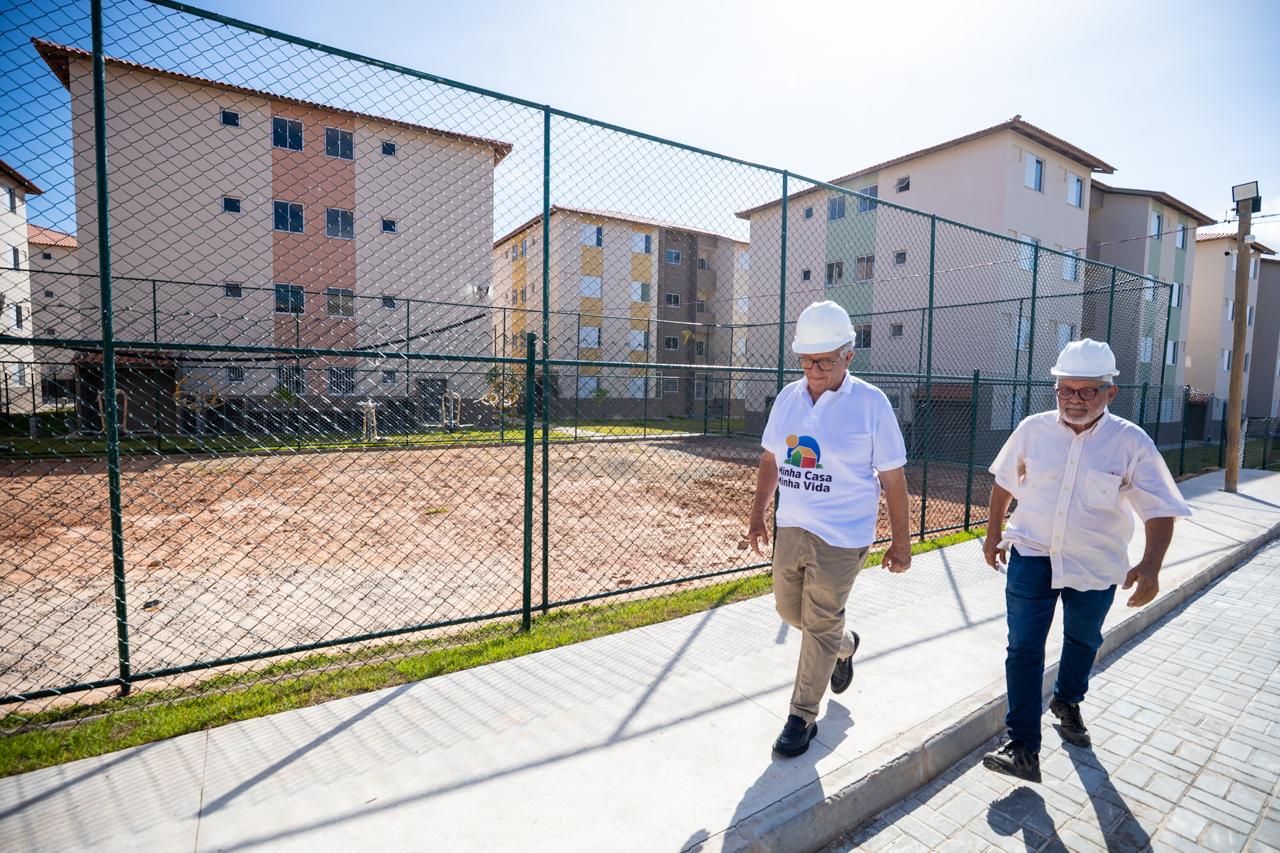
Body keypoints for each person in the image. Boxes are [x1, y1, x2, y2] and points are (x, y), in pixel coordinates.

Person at [982, 339, 1191, 782]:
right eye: (1065, 389)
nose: (1074, 400)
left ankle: (1067, 700)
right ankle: (1023, 746)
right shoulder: (1033, 430)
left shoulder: (1131, 442)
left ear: (1110, 393)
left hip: (1095, 564)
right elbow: (1004, 481)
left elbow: (1159, 507)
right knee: (1023, 649)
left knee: (1083, 642)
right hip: (1032, 555)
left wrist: (1151, 565)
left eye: (1087, 391)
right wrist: (993, 533)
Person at [747, 300, 913, 758]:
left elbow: (893, 478)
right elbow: (770, 459)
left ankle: (801, 716)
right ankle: (844, 644)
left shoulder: (871, 404)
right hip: (792, 526)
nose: (814, 371)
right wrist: (758, 513)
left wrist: (901, 542)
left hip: (843, 535)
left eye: (824, 361)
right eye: (806, 361)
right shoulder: (788, 398)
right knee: (790, 612)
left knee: (819, 620)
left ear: (848, 356)